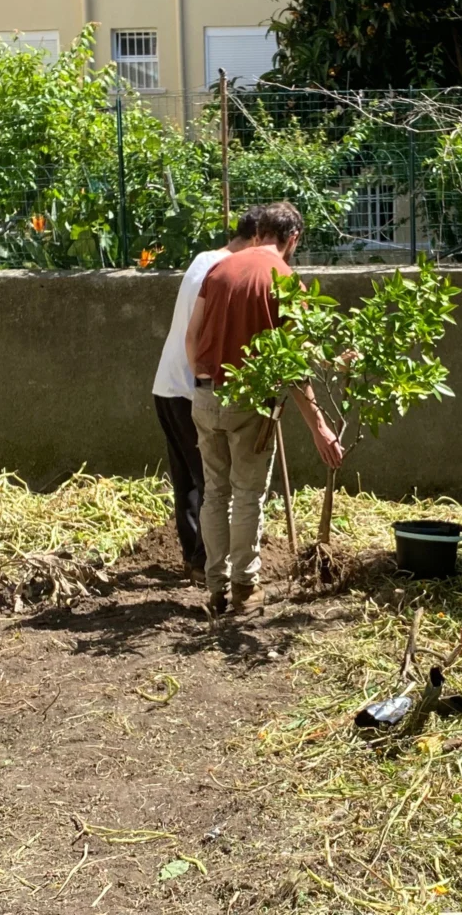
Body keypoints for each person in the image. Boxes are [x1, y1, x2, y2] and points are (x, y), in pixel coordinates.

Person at [185, 201, 343, 617]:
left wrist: (204, 381)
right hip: (249, 402)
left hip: (204, 395)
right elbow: (296, 365)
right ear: (293, 238)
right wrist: (319, 426)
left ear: (259, 233)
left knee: (214, 493)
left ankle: (215, 587)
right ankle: (244, 587)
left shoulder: (218, 269)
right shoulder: (285, 281)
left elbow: (191, 336)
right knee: (247, 494)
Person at [152, 208, 263, 584]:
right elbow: (203, 333)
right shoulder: (225, 270)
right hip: (190, 389)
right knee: (211, 482)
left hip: (166, 384)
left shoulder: (204, 258)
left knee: (187, 480)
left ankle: (193, 559)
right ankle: (204, 562)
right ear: (256, 238)